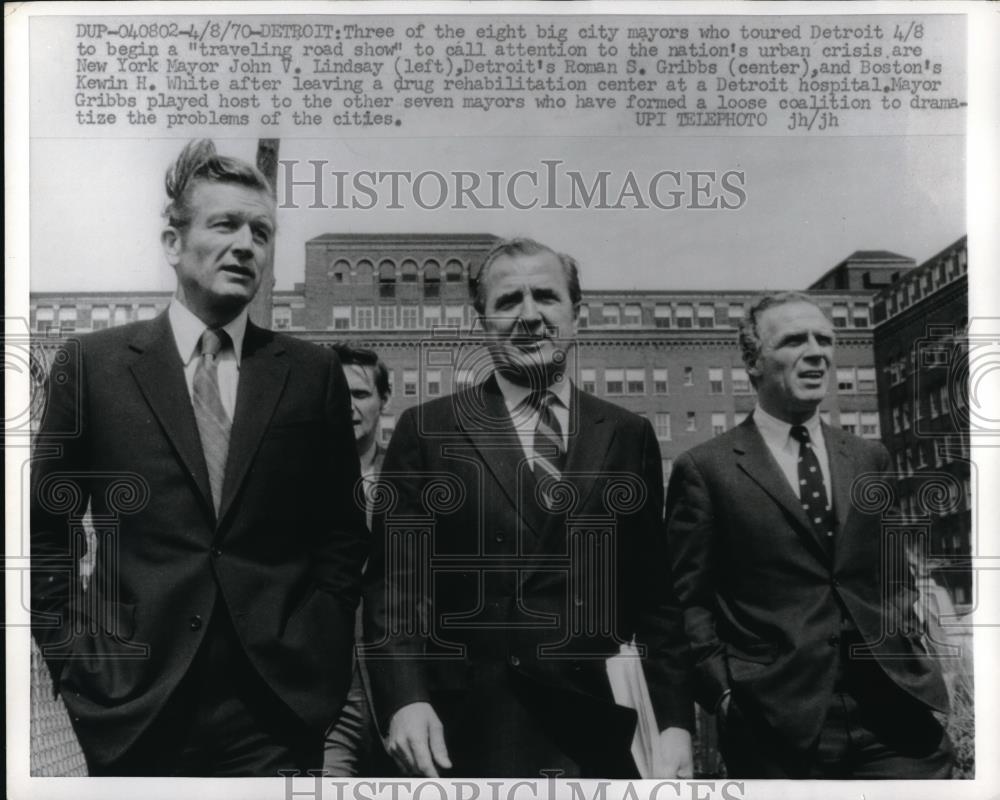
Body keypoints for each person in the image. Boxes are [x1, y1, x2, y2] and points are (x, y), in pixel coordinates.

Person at [30, 139, 368, 776]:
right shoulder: (94, 367)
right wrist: (73, 659)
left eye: (262, 232)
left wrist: (318, 646)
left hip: (275, 709)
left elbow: (341, 535)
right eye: (225, 224)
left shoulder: (310, 372)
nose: (247, 244)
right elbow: (46, 530)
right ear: (172, 242)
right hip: (134, 704)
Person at [363, 237, 693, 778]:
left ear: (576, 315)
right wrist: (404, 699)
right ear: (481, 322)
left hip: (599, 727)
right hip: (471, 727)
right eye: (508, 301)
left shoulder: (627, 434)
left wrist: (675, 721)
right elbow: (397, 588)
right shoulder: (429, 430)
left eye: (546, 297)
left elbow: (655, 596)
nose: (530, 316)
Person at [666, 292, 953, 778]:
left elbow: (893, 575)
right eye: (795, 340)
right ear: (753, 362)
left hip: (894, 714)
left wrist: (907, 643)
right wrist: (725, 692)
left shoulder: (868, 458)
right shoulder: (706, 469)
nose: (817, 351)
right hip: (779, 725)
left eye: (825, 339)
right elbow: (687, 601)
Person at [324, 344, 392, 775]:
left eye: (362, 395)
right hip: (331, 696)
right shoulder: (296, 480)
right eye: (337, 394)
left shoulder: (414, 477)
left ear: (385, 400)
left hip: (401, 689)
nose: (349, 407)